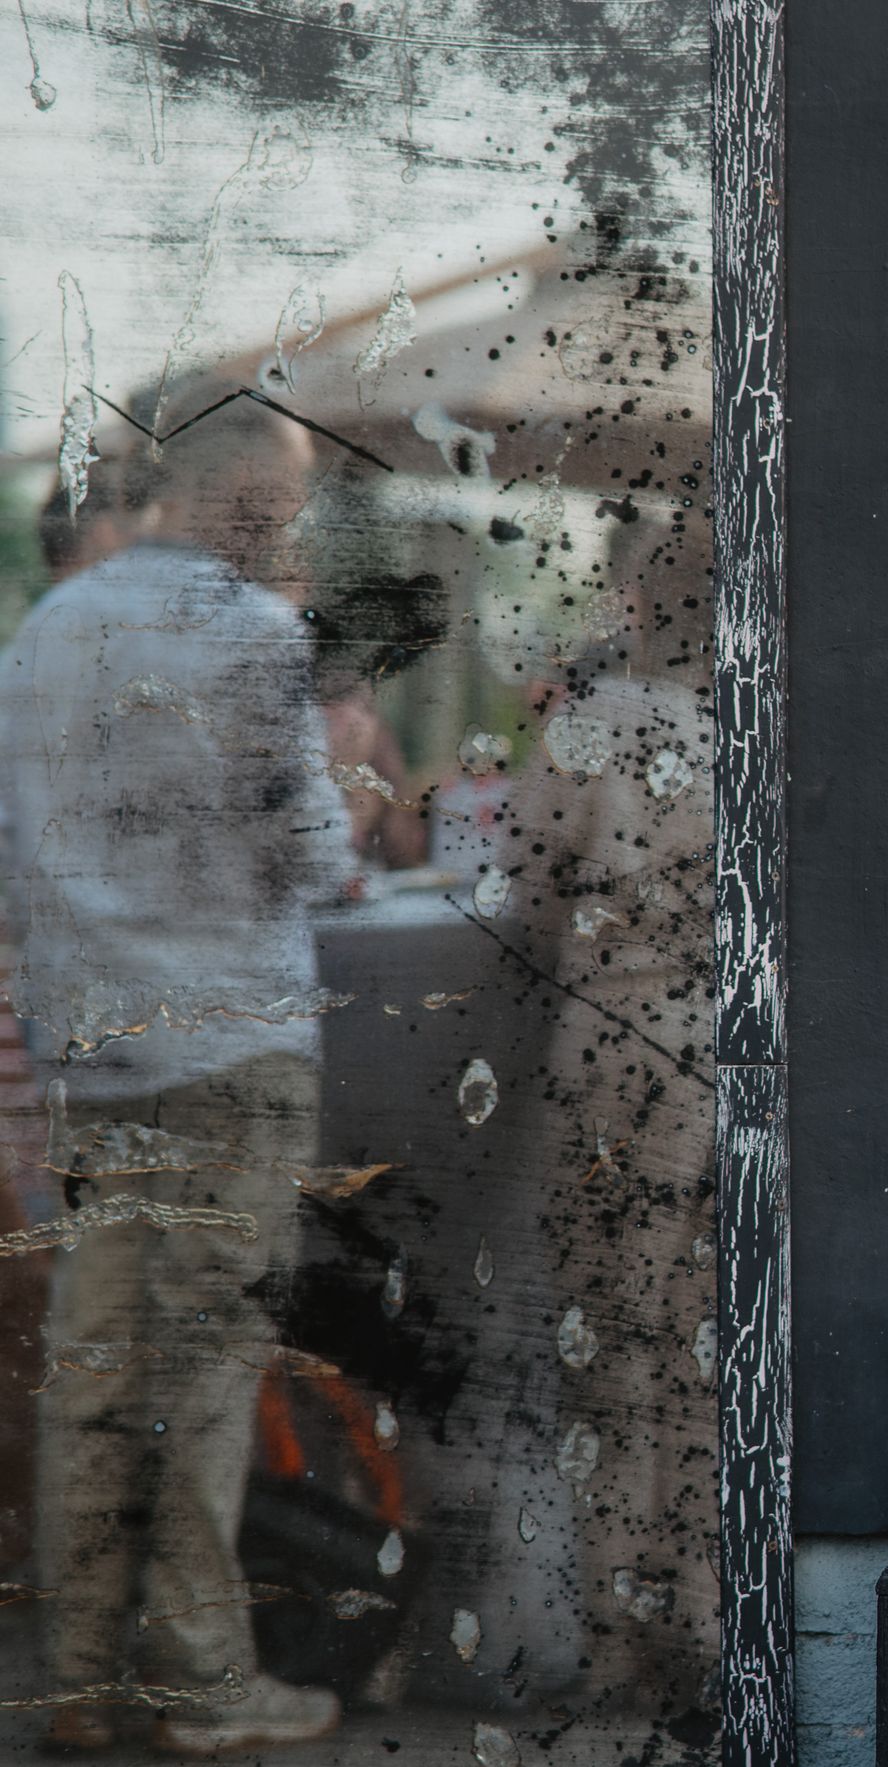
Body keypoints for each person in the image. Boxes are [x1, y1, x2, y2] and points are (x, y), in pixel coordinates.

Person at [0, 376, 358, 1754]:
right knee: (204, 1365)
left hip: (96, 1048)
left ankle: (80, 1672)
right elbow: (309, 852)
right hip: (231, 1040)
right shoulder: (249, 633)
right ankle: (198, 1677)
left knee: (96, 1363)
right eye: (287, 494)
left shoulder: (47, 632)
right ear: (243, 490)